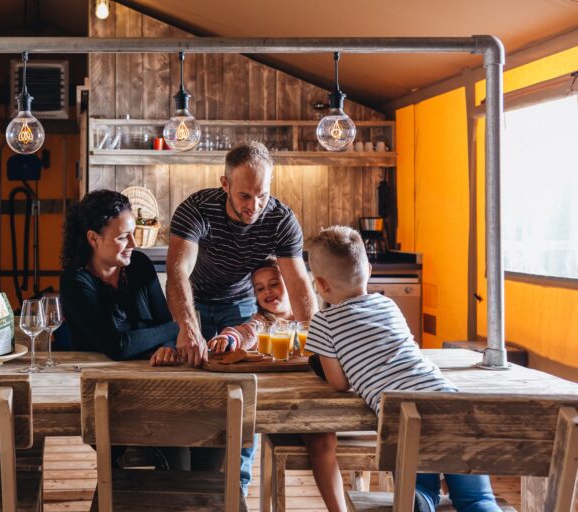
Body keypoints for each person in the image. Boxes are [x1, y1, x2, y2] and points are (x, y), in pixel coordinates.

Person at [305, 226, 501, 512]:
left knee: (420, 493)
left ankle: (420, 502)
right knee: (477, 500)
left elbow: (339, 383)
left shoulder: (324, 323)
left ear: (320, 284)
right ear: (369, 270)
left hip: (404, 420)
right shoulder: (388, 304)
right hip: (453, 405)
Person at [166, 141, 318, 494]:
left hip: (241, 306)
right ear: (225, 185)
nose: (254, 206)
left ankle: (238, 488)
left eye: (262, 195)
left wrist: (315, 339)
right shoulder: (197, 209)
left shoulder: (281, 219)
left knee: (244, 394)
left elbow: (298, 284)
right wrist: (188, 327)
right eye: (245, 196)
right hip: (194, 302)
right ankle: (188, 483)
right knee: (190, 390)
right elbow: (177, 272)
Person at [206, 258, 347, 512]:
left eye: (274, 284)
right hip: (280, 406)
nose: (267, 291)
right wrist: (229, 337)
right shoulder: (263, 322)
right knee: (239, 425)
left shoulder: (316, 319)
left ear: (293, 284)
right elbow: (244, 332)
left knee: (322, 441)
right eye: (259, 289)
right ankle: (236, 496)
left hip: (315, 403)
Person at [60, 189, 179, 365]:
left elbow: (164, 321)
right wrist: (179, 327)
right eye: (123, 237)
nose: (134, 243)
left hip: (151, 371)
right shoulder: (74, 280)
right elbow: (118, 346)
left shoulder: (140, 264)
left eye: (133, 233)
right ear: (93, 239)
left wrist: (168, 347)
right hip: (93, 377)